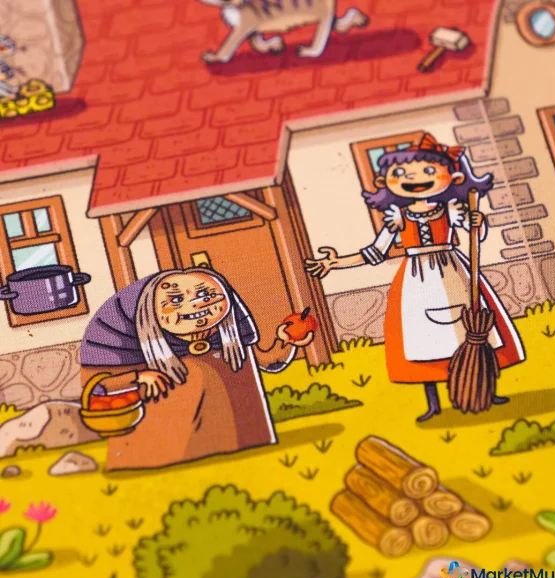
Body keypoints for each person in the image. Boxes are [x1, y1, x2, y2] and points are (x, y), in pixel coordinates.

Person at [305, 133, 525, 422]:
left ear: (452, 176)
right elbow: (375, 251)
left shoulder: (450, 209)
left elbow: (476, 235)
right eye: (401, 174)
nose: (414, 178)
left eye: (429, 170)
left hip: (452, 271)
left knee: (467, 326)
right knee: (424, 336)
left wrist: (478, 222)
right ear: (386, 181)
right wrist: (335, 263)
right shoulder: (398, 216)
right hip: (417, 279)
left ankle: (484, 385)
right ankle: (433, 403)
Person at [80, 267, 313, 469]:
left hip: (241, 441)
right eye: (175, 300)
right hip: (168, 450)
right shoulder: (130, 345)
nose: (194, 304)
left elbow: (267, 361)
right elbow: (97, 386)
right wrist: (138, 377)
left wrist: (286, 341)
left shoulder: (230, 340)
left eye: (205, 295)